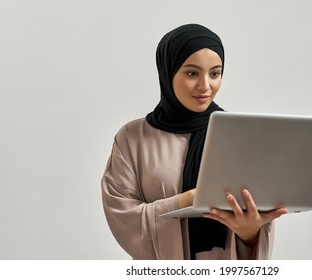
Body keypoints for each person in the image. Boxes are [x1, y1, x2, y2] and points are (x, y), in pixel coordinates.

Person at [101, 23, 288, 260]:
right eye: (192, 73)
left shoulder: (237, 134)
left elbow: (254, 226)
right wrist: (186, 200)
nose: (205, 86)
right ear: (168, 71)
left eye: (215, 74)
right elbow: (123, 218)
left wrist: (250, 233)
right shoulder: (132, 138)